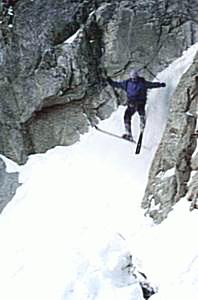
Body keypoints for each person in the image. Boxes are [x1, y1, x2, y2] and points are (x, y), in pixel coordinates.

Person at [107, 69, 166, 141]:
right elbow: (151, 85)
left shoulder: (129, 83)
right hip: (138, 103)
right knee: (137, 112)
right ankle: (142, 121)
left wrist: (160, 85)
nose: (134, 79)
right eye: (133, 78)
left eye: (134, 78)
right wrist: (160, 84)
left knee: (127, 115)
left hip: (134, 103)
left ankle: (129, 133)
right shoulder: (138, 82)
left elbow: (151, 85)